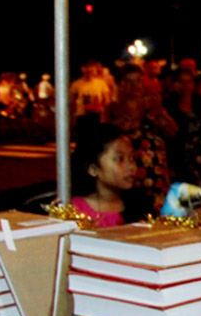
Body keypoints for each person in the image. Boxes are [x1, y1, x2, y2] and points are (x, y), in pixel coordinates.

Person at [111, 64, 176, 215]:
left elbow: (173, 131)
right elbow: (116, 131)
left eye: (138, 81)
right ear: (121, 85)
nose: (135, 86)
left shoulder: (152, 107)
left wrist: (159, 112)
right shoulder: (114, 109)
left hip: (157, 177)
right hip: (133, 178)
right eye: (129, 81)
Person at [71, 120, 142, 227]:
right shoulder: (75, 210)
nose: (131, 166)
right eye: (120, 159)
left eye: (132, 158)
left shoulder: (138, 205)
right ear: (93, 169)